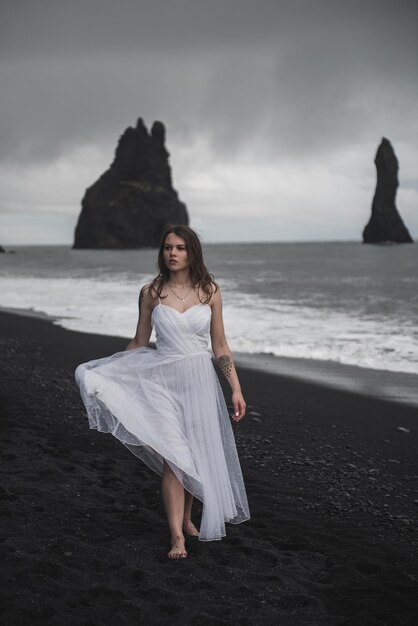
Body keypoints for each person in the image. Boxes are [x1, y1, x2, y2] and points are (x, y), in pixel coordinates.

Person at [75, 225, 250, 559]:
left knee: (194, 454)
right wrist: (113, 373)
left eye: (180, 248)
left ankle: (186, 519)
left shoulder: (210, 291)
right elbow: (140, 342)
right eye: (168, 247)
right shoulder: (151, 292)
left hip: (199, 382)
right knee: (174, 456)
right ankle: (177, 537)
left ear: (192, 252)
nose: (173, 253)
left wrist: (236, 389)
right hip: (161, 382)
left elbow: (220, 345)